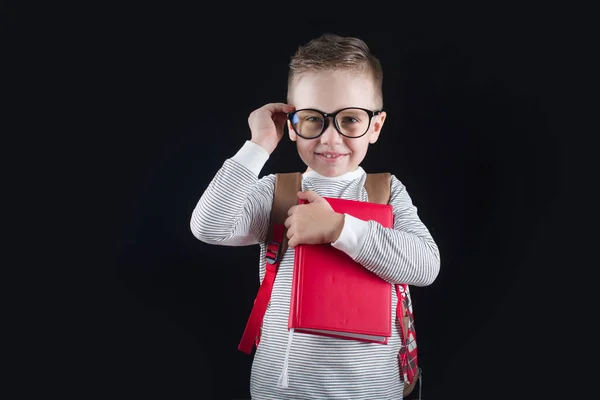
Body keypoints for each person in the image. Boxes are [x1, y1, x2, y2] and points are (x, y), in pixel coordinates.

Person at [190, 33, 440, 399]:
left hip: (371, 391)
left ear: (375, 126)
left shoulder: (386, 191)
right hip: (282, 390)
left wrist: (339, 228)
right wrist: (259, 145)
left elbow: (425, 266)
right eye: (313, 120)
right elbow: (209, 227)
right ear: (292, 124)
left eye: (350, 120)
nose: (330, 138)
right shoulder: (278, 191)